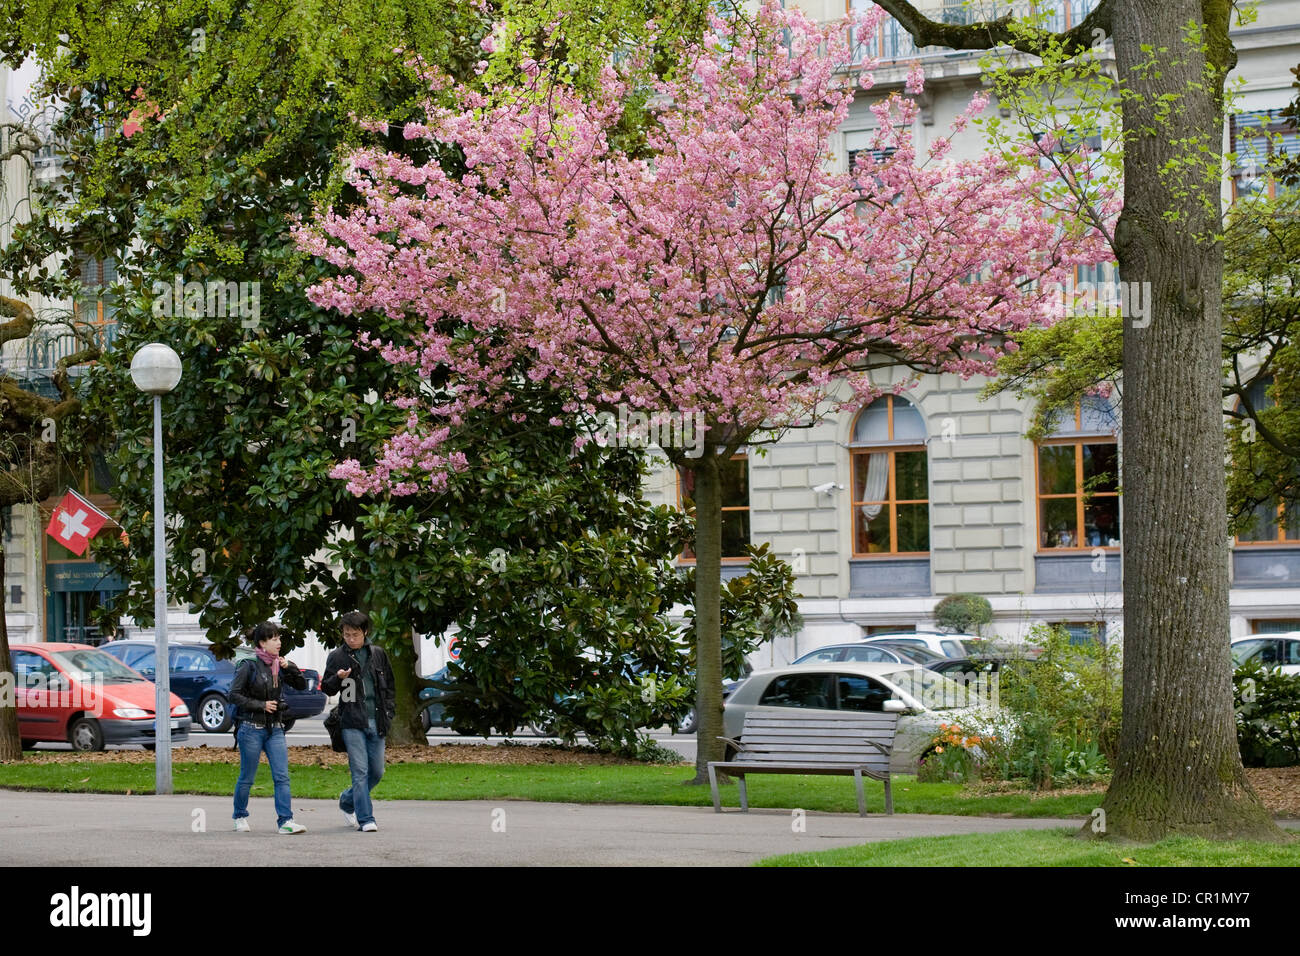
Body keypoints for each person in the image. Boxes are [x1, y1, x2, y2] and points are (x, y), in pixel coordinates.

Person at [229, 621, 308, 834]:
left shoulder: (278, 665)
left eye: (279, 638)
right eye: (274, 639)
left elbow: (301, 685)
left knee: (282, 776)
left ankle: (286, 821)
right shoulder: (248, 665)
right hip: (251, 728)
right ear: (262, 643)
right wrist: (261, 705)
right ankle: (240, 815)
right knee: (247, 777)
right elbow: (234, 695)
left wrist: (290, 667)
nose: (279, 642)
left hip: (275, 728)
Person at [321, 610, 395, 832]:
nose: (350, 639)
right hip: (351, 721)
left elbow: (390, 687)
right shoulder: (337, 656)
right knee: (360, 771)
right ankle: (366, 819)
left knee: (377, 772)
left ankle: (347, 800)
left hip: (377, 719)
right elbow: (327, 688)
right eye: (346, 635)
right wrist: (338, 678)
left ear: (365, 632)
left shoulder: (378, 654)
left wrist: (389, 713)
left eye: (355, 634)